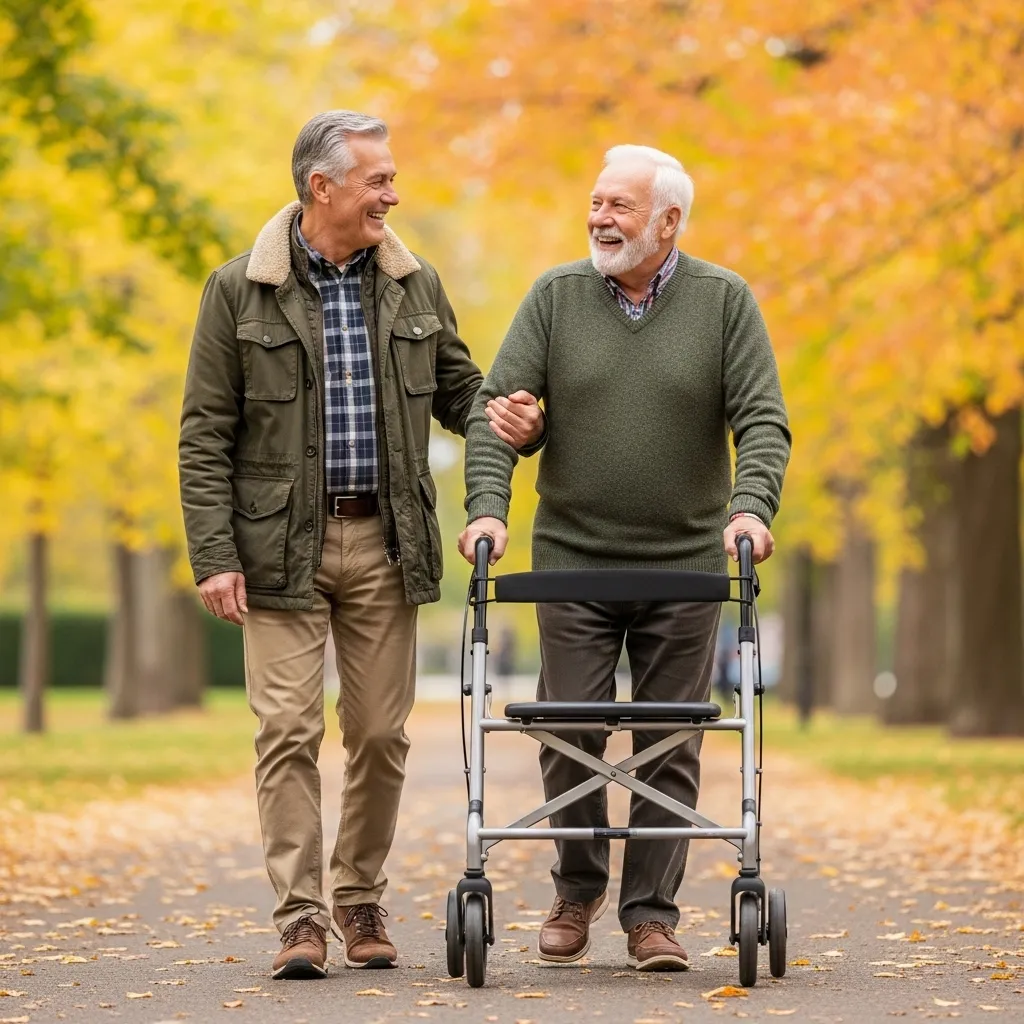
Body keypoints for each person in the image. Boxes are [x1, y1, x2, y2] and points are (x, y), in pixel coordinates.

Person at [179, 111, 543, 980]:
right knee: (286, 732)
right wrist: (214, 552)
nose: (392, 193)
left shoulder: (413, 285)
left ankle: (358, 898)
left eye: (390, 178)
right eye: (377, 179)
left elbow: (462, 390)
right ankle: (300, 919)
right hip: (277, 552)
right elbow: (204, 433)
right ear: (322, 187)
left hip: (386, 542)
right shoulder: (239, 290)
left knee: (380, 734)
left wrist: (508, 416)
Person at [459, 145, 790, 971]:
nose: (599, 218)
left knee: (669, 739)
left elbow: (763, 422)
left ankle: (651, 915)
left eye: (620, 207)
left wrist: (751, 508)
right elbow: (496, 416)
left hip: (684, 563)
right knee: (568, 730)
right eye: (596, 201)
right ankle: (577, 889)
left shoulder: (723, 301)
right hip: (573, 559)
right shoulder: (556, 297)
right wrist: (488, 513)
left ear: (669, 222)